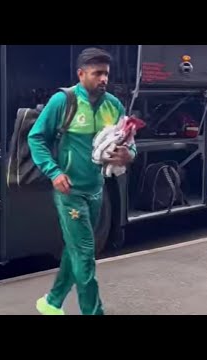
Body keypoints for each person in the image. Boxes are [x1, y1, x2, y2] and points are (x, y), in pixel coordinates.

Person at [28, 47, 136, 315]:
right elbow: (36, 137)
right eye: (97, 73)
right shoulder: (62, 101)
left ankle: (52, 302)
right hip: (69, 191)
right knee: (86, 253)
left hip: (96, 190)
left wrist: (128, 155)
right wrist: (54, 172)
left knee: (76, 250)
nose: (103, 79)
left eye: (106, 74)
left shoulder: (114, 104)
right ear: (81, 74)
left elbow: (130, 144)